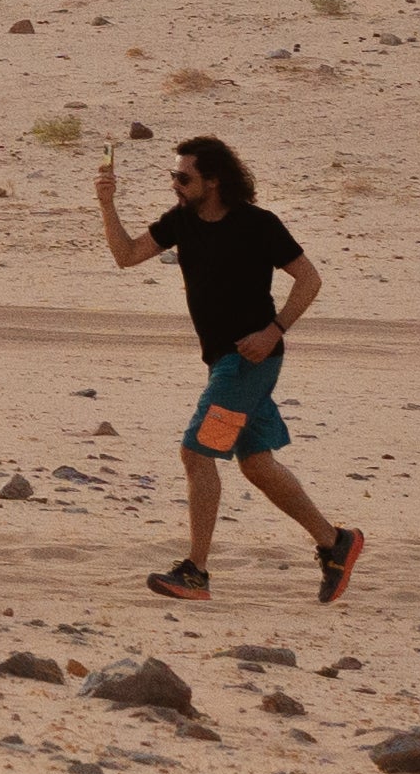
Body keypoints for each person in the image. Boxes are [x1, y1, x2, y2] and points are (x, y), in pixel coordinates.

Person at [100, 132, 360, 605]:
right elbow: (126, 255)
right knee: (257, 464)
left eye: (184, 177)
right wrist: (107, 203)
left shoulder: (257, 224)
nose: (176, 185)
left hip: (246, 364)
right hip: (225, 364)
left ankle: (196, 572)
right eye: (173, 176)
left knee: (197, 455)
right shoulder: (182, 221)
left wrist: (274, 330)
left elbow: (309, 279)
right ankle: (335, 542)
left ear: (214, 181)